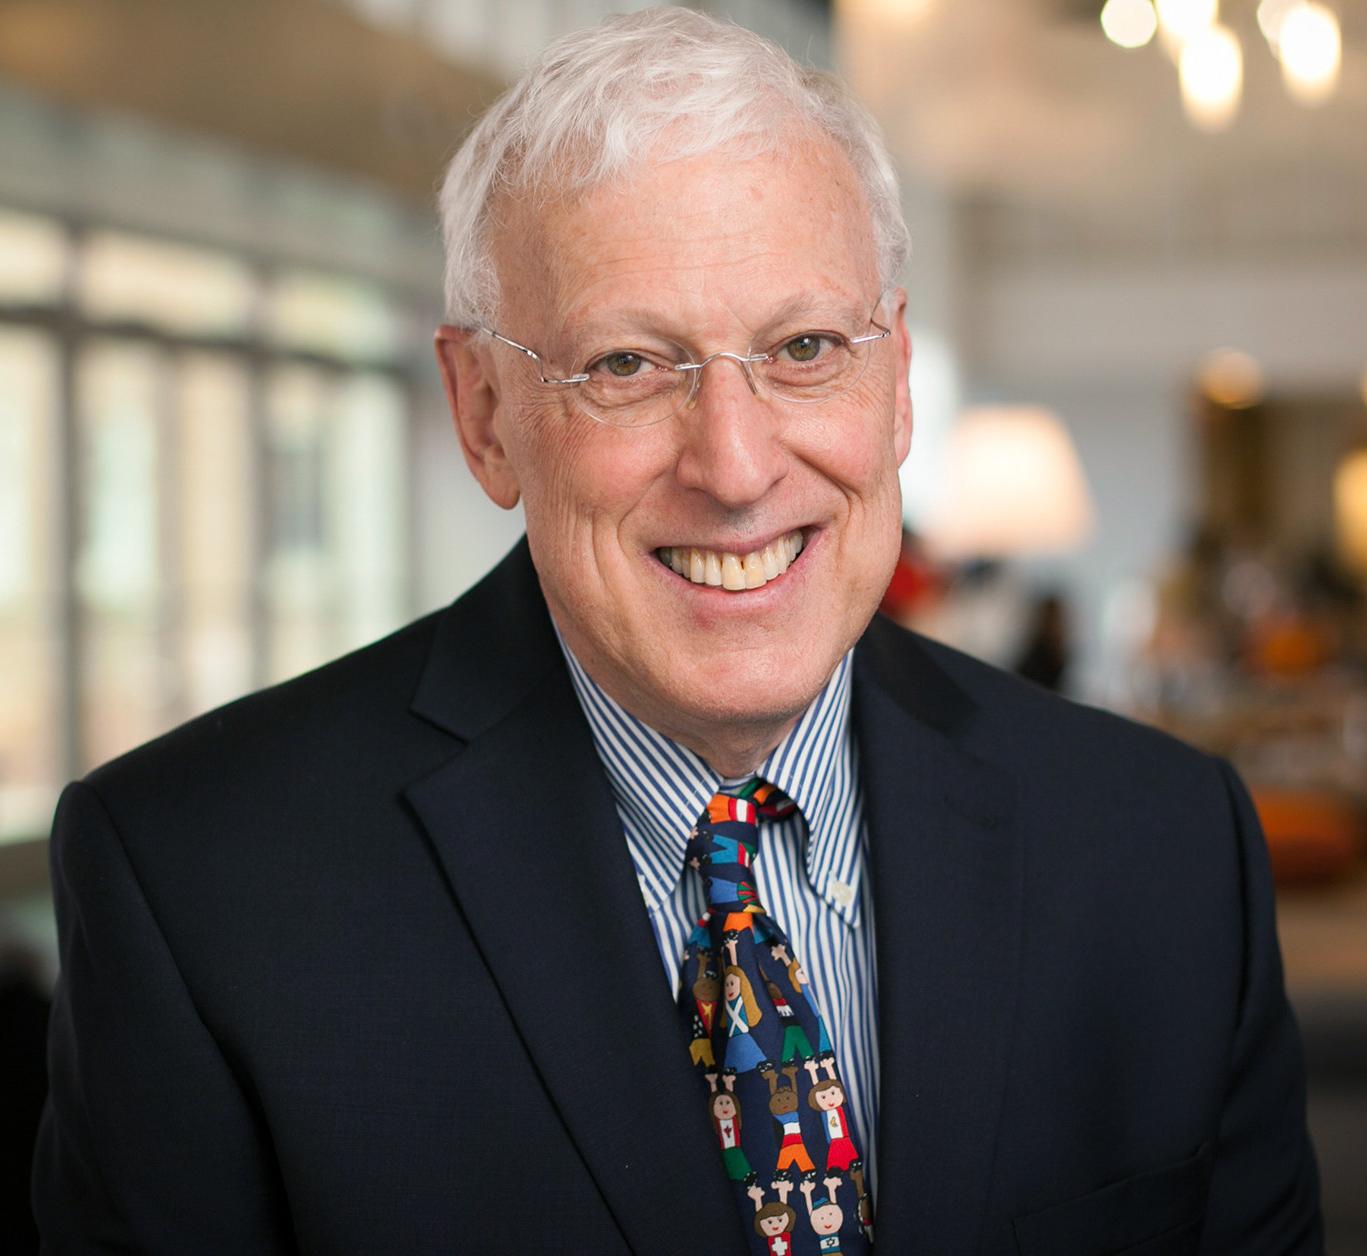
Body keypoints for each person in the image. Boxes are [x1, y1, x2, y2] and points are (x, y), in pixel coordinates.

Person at [33, 8, 1321, 1254]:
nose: (737, 464)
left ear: (899, 381)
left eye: (806, 346)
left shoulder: (1167, 853)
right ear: (484, 414)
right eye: (627, 367)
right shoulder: (200, 890)